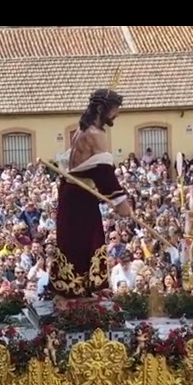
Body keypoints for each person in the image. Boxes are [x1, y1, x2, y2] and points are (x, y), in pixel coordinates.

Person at [49, 89, 134, 303]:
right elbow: (103, 172)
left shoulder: (81, 129)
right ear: (100, 109)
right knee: (83, 242)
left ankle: (77, 290)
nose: (116, 115)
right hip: (80, 198)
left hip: (75, 195)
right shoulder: (96, 135)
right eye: (114, 110)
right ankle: (78, 294)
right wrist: (120, 201)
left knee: (76, 242)